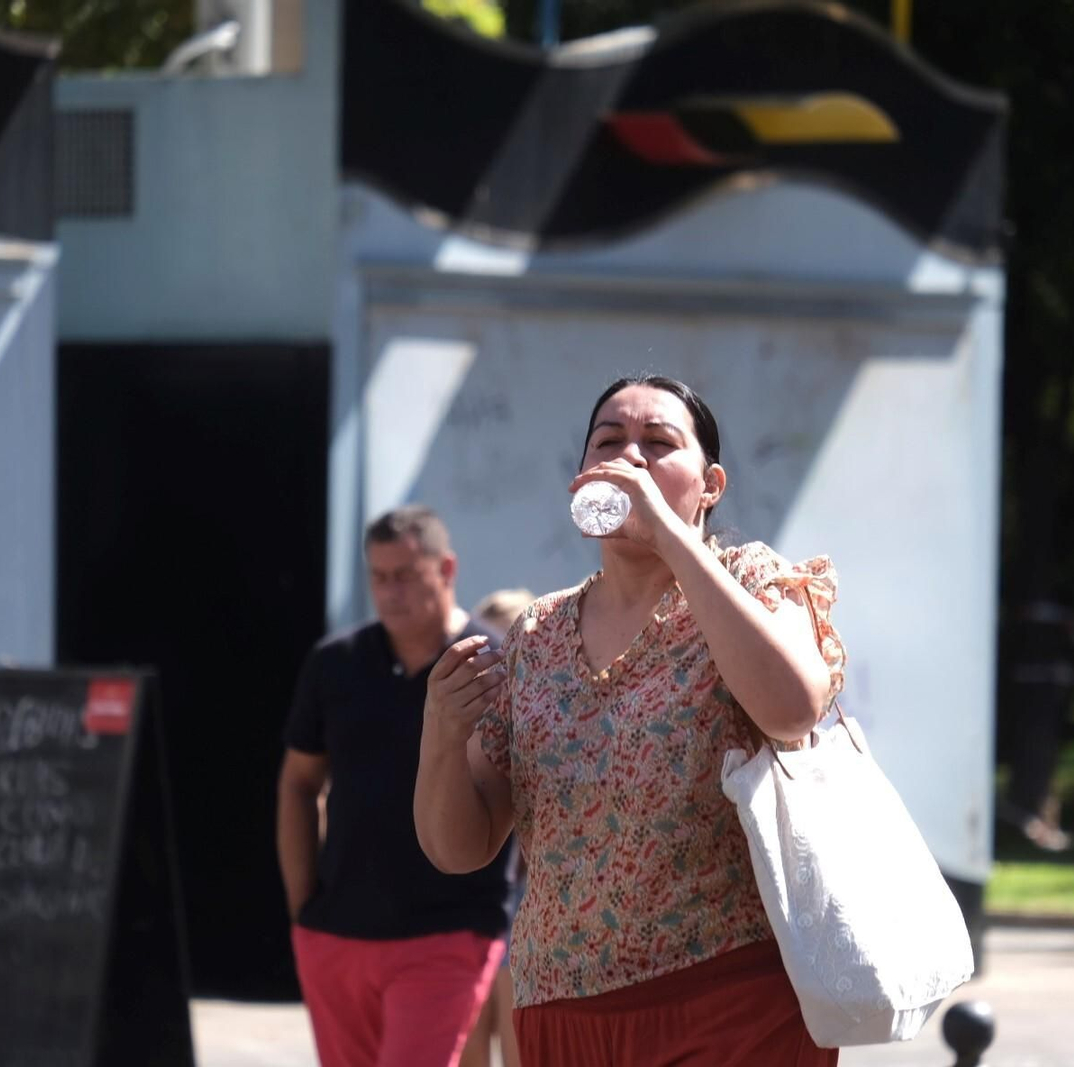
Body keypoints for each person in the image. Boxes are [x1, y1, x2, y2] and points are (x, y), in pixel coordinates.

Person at [414, 376, 848, 1066]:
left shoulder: (754, 580)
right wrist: (441, 734)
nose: (632, 458)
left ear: (710, 485)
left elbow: (793, 708)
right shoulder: (536, 633)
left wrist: (669, 536)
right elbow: (458, 849)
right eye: (610, 441)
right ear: (582, 478)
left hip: (729, 998)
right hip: (563, 1006)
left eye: (659, 443)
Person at [277, 506, 516, 1067]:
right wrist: (303, 910)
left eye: (405, 575)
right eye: (378, 577)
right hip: (337, 932)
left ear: (446, 569)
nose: (390, 593)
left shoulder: (491, 662)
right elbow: (298, 782)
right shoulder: (335, 663)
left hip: (450, 930)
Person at [458, 589, 536, 1067]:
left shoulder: (545, 715)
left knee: (518, 1044)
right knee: (465, 1045)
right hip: (468, 907)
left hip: (526, 906)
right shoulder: (463, 722)